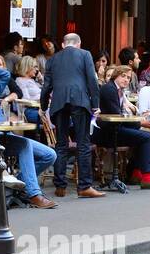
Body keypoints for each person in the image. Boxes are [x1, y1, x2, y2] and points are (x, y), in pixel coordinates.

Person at [0, 64, 57, 208]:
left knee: (50, 154)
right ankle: (34, 194)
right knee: (24, 145)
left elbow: (6, 75)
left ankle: (17, 185)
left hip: (6, 134)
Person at [41, 33, 105, 199]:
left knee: (61, 144)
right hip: (80, 99)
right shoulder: (85, 54)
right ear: (79, 43)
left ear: (63, 44)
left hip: (59, 101)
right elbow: (92, 79)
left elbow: (46, 85)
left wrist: (42, 106)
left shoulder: (53, 59)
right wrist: (96, 104)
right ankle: (84, 186)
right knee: (83, 143)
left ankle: (60, 186)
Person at [98, 67, 150, 189]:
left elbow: (121, 116)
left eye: (128, 78)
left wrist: (139, 122)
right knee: (145, 137)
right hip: (106, 132)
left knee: (145, 136)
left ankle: (136, 172)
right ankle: (147, 178)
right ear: (116, 76)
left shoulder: (118, 90)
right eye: (123, 76)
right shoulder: (109, 89)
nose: (126, 80)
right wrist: (141, 123)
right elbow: (117, 115)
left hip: (114, 128)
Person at [10, 55, 42, 125]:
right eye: (35, 67)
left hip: (39, 109)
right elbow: (25, 99)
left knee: (62, 114)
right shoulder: (20, 81)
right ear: (27, 67)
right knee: (57, 117)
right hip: (29, 111)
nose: (37, 70)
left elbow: (46, 88)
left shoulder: (32, 81)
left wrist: (40, 78)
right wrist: (41, 100)